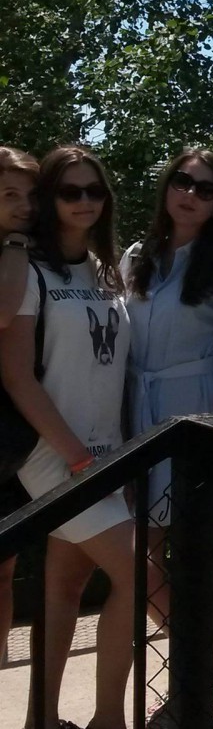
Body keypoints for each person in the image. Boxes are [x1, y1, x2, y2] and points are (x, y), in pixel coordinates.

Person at [0, 146, 156, 729]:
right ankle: (109, 721)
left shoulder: (106, 270)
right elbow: (16, 375)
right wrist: (75, 457)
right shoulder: (28, 269)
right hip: (55, 456)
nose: (85, 201)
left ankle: (41, 721)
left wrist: (117, 457)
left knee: (66, 588)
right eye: (70, 191)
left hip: (107, 453)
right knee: (141, 577)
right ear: (49, 199)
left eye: (95, 190)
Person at [122, 150, 213, 641]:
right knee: (138, 547)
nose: (190, 194)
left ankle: (198, 651)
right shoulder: (138, 256)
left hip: (197, 408)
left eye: (206, 189)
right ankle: (192, 645)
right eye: (182, 181)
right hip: (137, 407)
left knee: (195, 542)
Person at [0, 146, 37, 668]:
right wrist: (15, 243)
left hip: (12, 445)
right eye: (10, 194)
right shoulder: (17, 251)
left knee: (4, 571)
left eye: (32, 195)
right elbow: (5, 311)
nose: (25, 206)